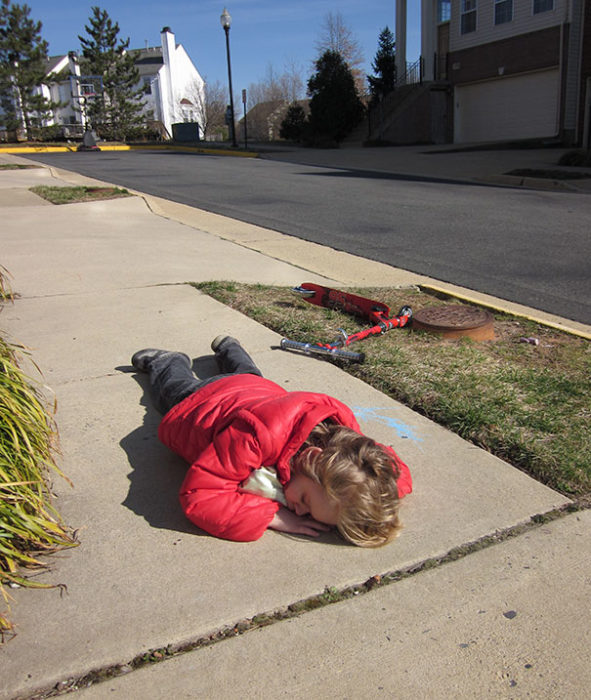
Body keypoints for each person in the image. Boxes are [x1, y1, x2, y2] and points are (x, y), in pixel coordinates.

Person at [132, 336, 412, 547]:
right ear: (312, 458)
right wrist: (273, 517)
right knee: (170, 390)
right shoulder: (255, 438)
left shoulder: (349, 446)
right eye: (305, 501)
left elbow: (395, 471)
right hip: (204, 401)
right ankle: (168, 360)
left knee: (248, 373)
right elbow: (200, 496)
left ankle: (229, 346)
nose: (300, 511)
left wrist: (381, 499)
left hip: (260, 390)